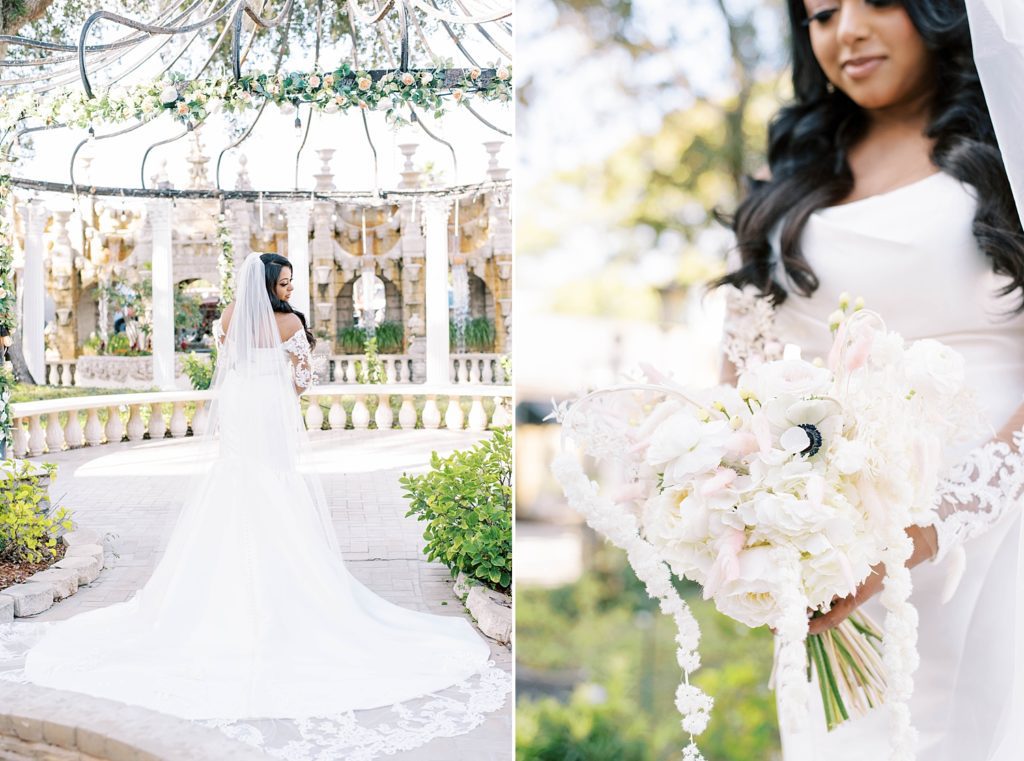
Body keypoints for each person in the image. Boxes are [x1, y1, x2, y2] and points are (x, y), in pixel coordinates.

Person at [7, 252, 502, 758]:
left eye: (290, 283)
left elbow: (225, 368)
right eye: (284, 283)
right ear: (268, 282)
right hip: (270, 412)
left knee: (236, 487)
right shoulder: (288, 323)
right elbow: (304, 383)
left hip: (241, 409)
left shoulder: (226, 317)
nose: (289, 290)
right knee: (275, 488)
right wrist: (287, 370)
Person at [716, 1, 1024, 758]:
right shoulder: (792, 174)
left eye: (877, 0)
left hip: (1000, 538)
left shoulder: (1007, 146)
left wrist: (926, 528)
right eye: (819, 14)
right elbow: (742, 369)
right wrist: (747, 504)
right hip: (837, 558)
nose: (845, 30)